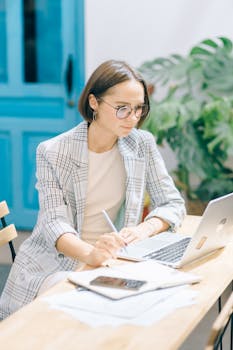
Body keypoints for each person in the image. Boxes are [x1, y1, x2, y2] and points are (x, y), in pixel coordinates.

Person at [0, 60, 186, 319]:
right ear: (94, 103)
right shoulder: (54, 151)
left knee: (165, 303)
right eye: (122, 109)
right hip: (58, 264)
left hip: (116, 261)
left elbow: (172, 203)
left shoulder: (141, 143)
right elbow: (55, 225)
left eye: (139, 109)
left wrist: (142, 229)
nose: (132, 118)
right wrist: (92, 254)